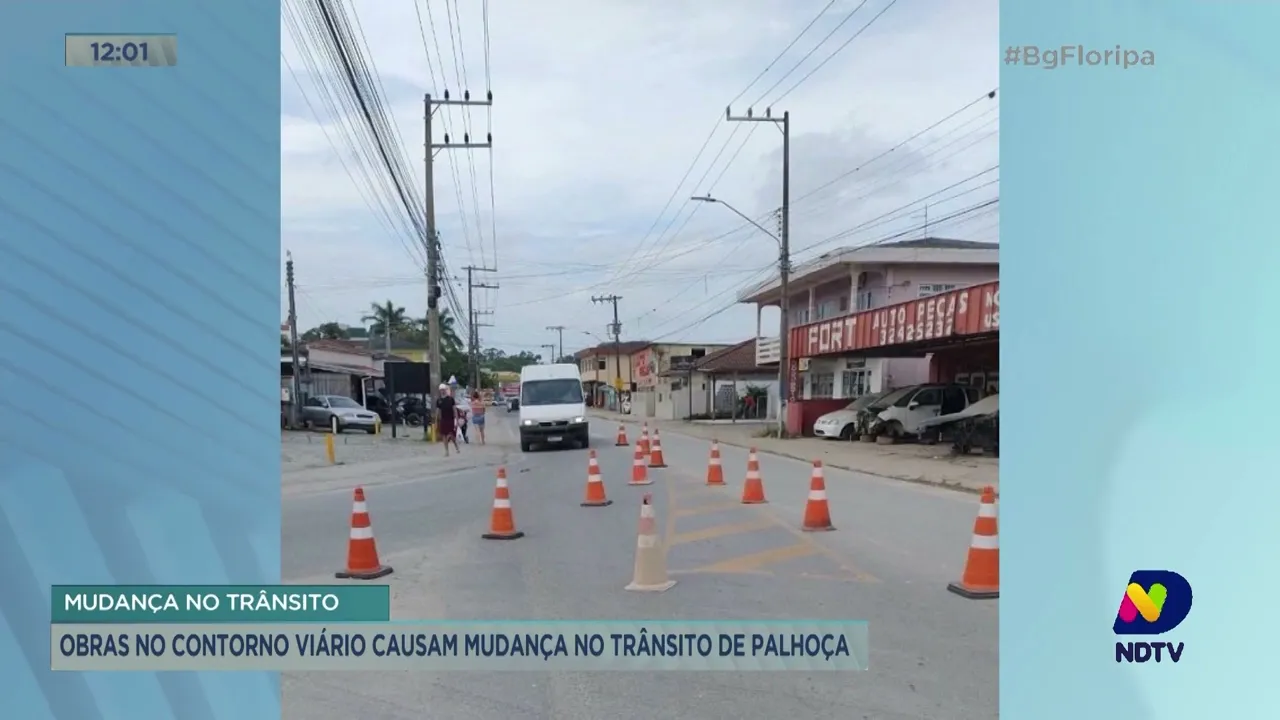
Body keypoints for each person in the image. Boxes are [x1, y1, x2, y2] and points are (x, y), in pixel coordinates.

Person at [434, 384, 460, 455]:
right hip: (443, 419)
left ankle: (456, 446)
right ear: (440, 391)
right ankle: (446, 451)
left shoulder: (450, 399)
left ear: (445, 390)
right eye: (441, 390)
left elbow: (454, 409)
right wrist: (436, 421)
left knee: (451, 434)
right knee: (444, 435)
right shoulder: (439, 400)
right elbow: (437, 411)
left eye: (443, 390)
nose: (442, 391)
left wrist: (456, 419)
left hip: (450, 419)